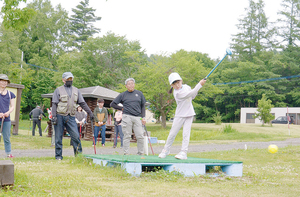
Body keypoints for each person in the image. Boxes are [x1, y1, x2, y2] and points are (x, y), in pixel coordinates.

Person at [158, 72, 206, 160]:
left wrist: (197, 88)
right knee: (172, 133)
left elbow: (192, 96)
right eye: (174, 84)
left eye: (178, 82)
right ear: (171, 85)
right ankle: (166, 150)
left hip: (189, 113)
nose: (177, 85)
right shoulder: (177, 93)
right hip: (180, 115)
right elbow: (190, 94)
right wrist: (199, 85)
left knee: (186, 134)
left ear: (181, 80)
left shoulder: (187, 87)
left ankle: (184, 152)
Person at [51, 72, 94, 160]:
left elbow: (82, 103)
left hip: (71, 117)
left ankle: (79, 156)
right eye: (68, 79)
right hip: (59, 116)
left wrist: (90, 112)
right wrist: (54, 116)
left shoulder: (76, 90)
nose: (70, 80)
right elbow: (54, 103)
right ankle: (58, 156)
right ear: (63, 80)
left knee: (76, 136)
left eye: (71, 79)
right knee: (58, 137)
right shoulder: (58, 90)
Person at [110, 78, 146, 155]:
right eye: (129, 84)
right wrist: (121, 108)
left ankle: (140, 153)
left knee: (140, 136)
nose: (131, 85)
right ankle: (126, 153)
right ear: (126, 86)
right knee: (127, 136)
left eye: (132, 83)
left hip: (137, 117)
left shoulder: (139, 94)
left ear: (134, 84)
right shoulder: (123, 94)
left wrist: (143, 117)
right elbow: (112, 104)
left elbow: (143, 106)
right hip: (127, 117)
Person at [0, 74, 15, 158]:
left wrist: (8, 112)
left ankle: (9, 153)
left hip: (6, 119)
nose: (4, 83)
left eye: (5, 82)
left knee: (6, 137)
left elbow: (12, 106)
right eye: (2, 81)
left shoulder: (10, 94)